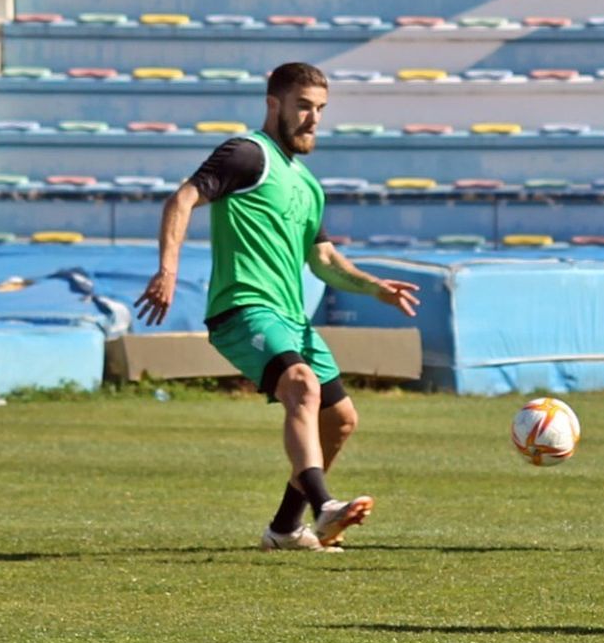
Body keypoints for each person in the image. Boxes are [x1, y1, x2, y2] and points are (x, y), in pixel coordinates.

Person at [135, 62, 421, 552]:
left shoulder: (308, 185)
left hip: (291, 319)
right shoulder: (248, 155)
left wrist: (375, 287)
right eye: (303, 107)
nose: (313, 119)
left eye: (320, 110)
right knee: (300, 385)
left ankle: (286, 530)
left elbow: (324, 260)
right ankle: (324, 506)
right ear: (274, 105)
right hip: (243, 308)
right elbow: (180, 200)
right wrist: (168, 269)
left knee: (342, 419)